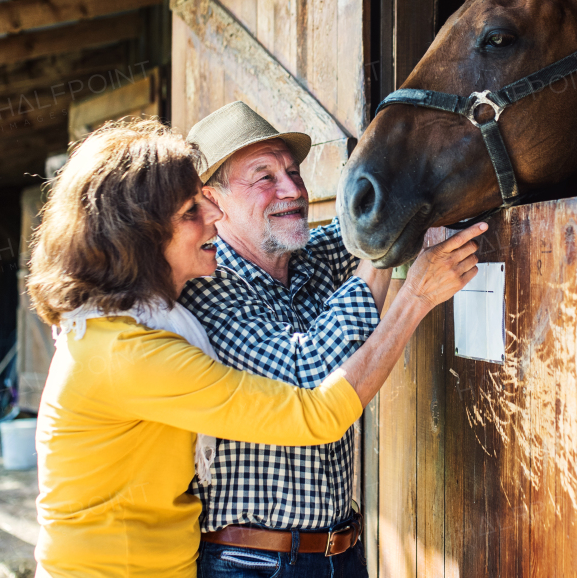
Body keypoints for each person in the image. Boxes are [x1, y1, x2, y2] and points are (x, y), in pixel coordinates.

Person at [27, 118, 486, 578]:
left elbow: (366, 224)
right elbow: (314, 406)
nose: (212, 217)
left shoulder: (153, 321)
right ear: (139, 233)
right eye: (193, 210)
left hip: (322, 552)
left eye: (292, 172)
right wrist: (413, 296)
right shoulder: (142, 346)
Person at [176, 102, 417, 577]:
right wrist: (384, 256)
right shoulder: (206, 286)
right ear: (212, 200)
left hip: (342, 553)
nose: (293, 190)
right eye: (265, 177)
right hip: (251, 563)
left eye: (293, 172)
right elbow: (308, 381)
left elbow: (369, 216)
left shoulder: (307, 255)